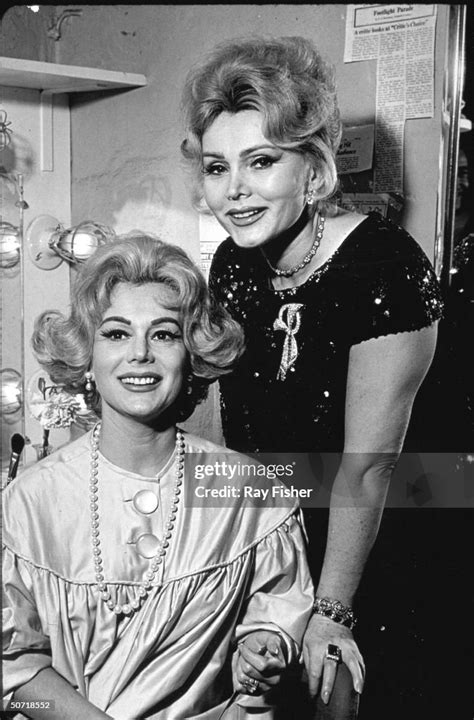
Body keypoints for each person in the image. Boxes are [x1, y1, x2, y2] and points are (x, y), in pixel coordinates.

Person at [180, 36, 444, 714]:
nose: (233, 190)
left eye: (261, 161)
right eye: (217, 167)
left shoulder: (386, 268)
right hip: (272, 538)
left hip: (364, 551)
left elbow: (369, 467)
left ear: (314, 168)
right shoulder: (235, 266)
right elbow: (227, 432)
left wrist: (332, 612)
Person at [2, 234, 315, 720]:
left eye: (164, 334)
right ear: (85, 355)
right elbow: (16, 677)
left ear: (192, 355)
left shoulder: (250, 494)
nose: (140, 354)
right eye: (116, 333)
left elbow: (275, 623)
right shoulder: (27, 504)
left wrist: (263, 648)